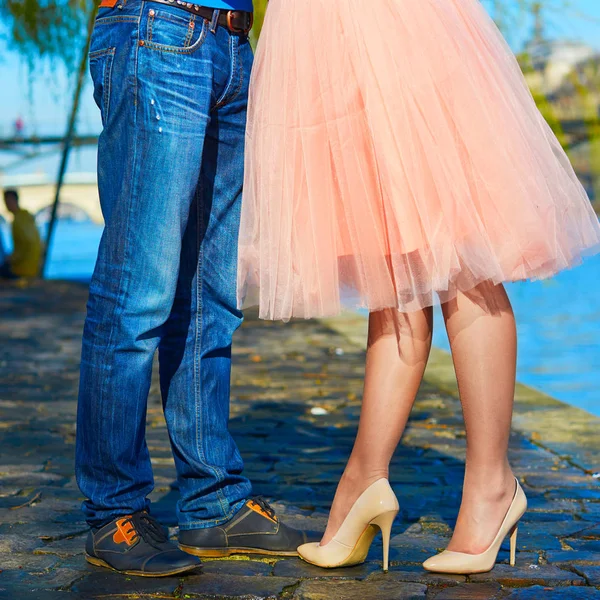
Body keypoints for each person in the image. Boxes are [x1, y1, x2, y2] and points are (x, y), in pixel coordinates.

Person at [237, 0, 600, 575]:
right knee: (394, 269)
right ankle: (363, 479)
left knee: (460, 251)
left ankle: (491, 484)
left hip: (398, 24)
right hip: (319, 33)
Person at [77, 0, 313, 578]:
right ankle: (114, 510)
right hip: (157, 29)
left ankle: (215, 504)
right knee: (138, 290)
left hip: (235, 46)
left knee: (213, 299)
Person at [0, 189, 42, 279]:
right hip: (32, 266)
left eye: (7, 201)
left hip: (23, 268)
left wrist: (12, 259)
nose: (6, 204)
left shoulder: (18, 221)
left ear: (14, 200)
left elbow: (28, 243)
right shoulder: (25, 216)